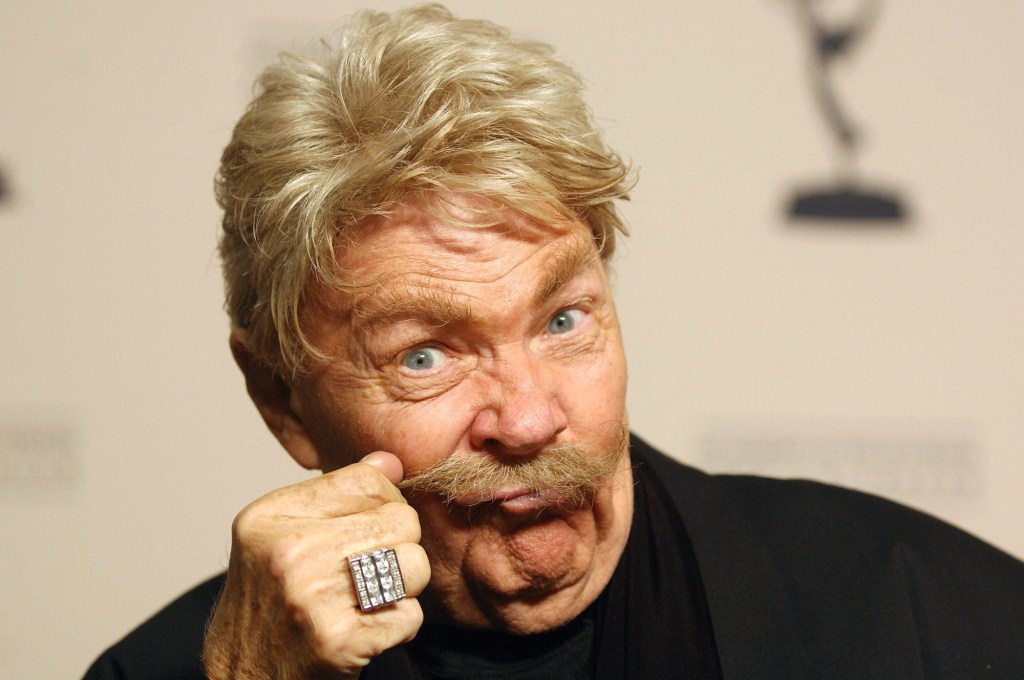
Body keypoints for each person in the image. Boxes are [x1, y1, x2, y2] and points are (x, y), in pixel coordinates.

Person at [84, 5, 1024, 679]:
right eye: (425, 355)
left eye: (562, 320)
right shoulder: (172, 670)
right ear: (282, 401)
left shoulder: (928, 619)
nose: (531, 419)